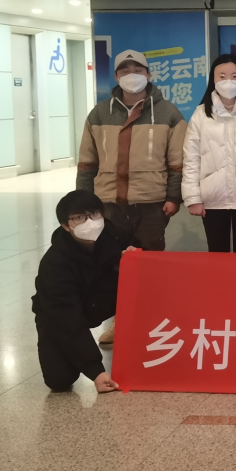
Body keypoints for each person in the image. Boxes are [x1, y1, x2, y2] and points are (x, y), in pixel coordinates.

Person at [77, 49, 186, 343]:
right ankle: (120, 322)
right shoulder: (99, 113)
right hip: (108, 204)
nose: (132, 75)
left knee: (151, 264)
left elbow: (177, 163)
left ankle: (153, 321)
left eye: (137, 70)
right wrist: (83, 204)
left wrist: (173, 197)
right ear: (116, 76)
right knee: (114, 265)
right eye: (125, 71)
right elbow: (87, 163)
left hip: (151, 202)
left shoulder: (169, 113)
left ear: (148, 74)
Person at [32, 190, 135, 393]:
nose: (90, 222)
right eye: (79, 218)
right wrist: (96, 371)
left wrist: (134, 257)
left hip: (102, 303)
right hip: (60, 315)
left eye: (94, 214)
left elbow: (142, 251)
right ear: (65, 226)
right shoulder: (55, 264)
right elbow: (66, 318)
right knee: (59, 379)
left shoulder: (114, 234)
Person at [182, 54, 236, 253]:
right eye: (222, 76)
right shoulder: (200, 115)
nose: (229, 81)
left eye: (234, 76)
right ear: (213, 79)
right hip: (213, 199)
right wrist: (193, 198)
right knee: (217, 253)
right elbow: (191, 158)